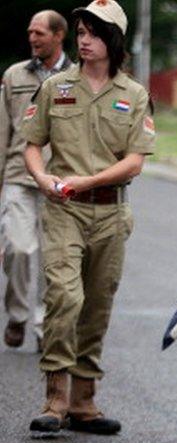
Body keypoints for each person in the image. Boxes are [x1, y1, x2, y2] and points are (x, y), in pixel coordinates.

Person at [22, 0, 155, 437]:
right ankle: (55, 397)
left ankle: (84, 400)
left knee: (97, 307)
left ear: (113, 40)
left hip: (110, 211)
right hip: (64, 209)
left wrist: (88, 179)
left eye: (93, 33)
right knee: (65, 297)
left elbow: (135, 161)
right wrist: (43, 178)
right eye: (80, 32)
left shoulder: (134, 95)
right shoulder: (57, 87)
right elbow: (32, 144)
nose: (83, 40)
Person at [0, 10, 71, 351]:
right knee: (18, 248)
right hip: (18, 175)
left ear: (59, 36)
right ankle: (17, 314)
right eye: (30, 32)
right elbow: (3, 132)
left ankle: (45, 326)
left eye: (40, 32)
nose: (32, 38)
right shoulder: (14, 76)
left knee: (52, 260)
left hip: (61, 181)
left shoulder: (79, 77)